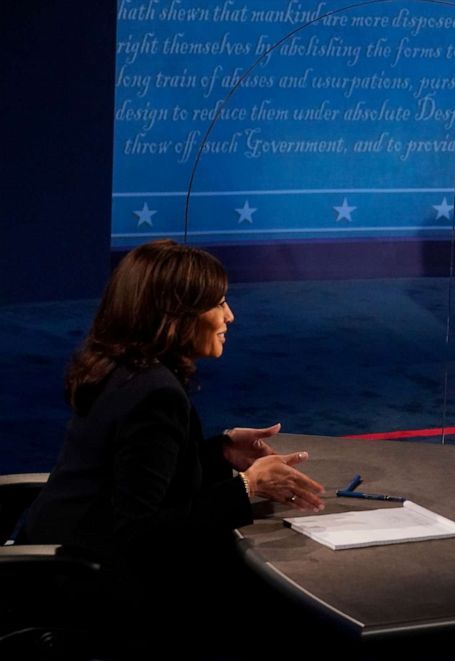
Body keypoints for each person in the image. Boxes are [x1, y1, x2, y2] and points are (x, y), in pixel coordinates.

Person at [18, 239, 325, 657]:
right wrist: (247, 488)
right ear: (176, 316)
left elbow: (133, 473)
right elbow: (139, 532)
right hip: (95, 587)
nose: (230, 316)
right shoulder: (155, 394)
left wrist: (219, 452)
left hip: (59, 562)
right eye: (218, 303)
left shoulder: (120, 368)